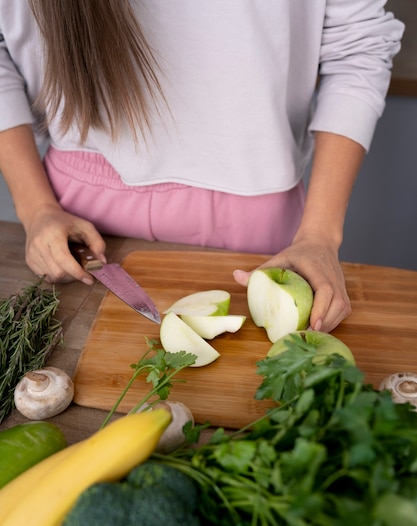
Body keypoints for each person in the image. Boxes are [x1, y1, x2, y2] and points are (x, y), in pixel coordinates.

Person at [0, 1, 404, 333]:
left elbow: (359, 50)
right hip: (75, 222)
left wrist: (319, 235)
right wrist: (36, 208)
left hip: (256, 226)